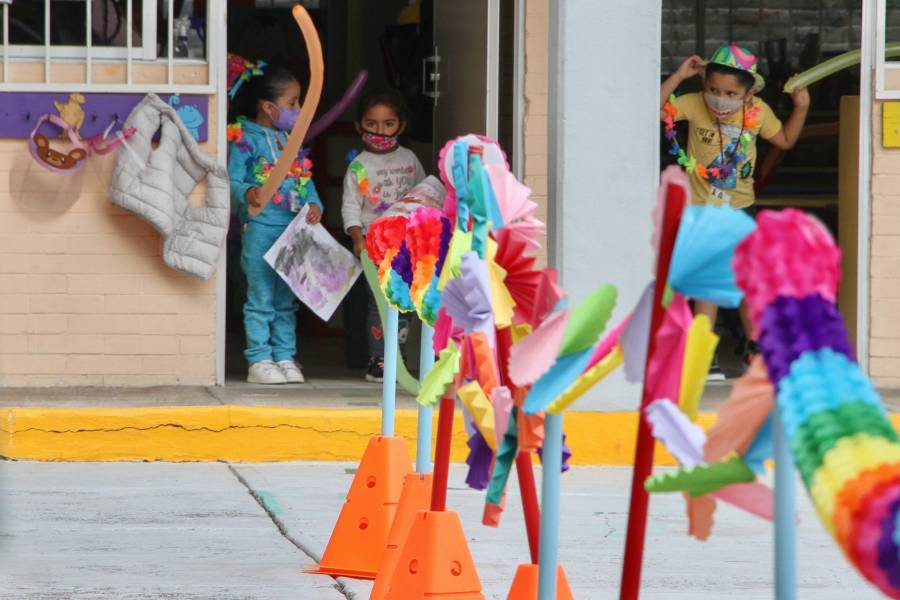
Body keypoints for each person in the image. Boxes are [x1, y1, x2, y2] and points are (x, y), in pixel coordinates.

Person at [660, 44, 810, 380]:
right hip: (701, 212)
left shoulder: (758, 112)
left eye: (730, 93)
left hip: (741, 211)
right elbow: (656, 108)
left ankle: (756, 352)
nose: (719, 99)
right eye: (713, 90)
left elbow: (784, 140)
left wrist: (800, 108)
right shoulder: (693, 105)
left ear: (749, 93)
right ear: (703, 88)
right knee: (708, 284)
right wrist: (680, 76)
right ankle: (702, 354)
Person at [227, 60, 324, 385]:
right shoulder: (245, 139)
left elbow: (305, 180)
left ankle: (284, 356)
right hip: (260, 231)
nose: (298, 109)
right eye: (293, 103)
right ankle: (259, 360)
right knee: (261, 298)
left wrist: (315, 204)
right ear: (269, 108)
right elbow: (233, 180)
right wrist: (249, 192)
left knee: (286, 299)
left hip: (293, 232)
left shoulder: (289, 141)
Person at [341, 87, 426, 382]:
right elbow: (351, 206)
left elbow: (423, 197)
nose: (380, 130)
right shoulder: (359, 166)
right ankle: (379, 359)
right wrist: (357, 238)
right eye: (372, 124)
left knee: (404, 302)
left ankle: (397, 357)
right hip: (374, 247)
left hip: (407, 245)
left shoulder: (411, 160)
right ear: (359, 126)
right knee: (379, 302)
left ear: (401, 125)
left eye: (388, 124)